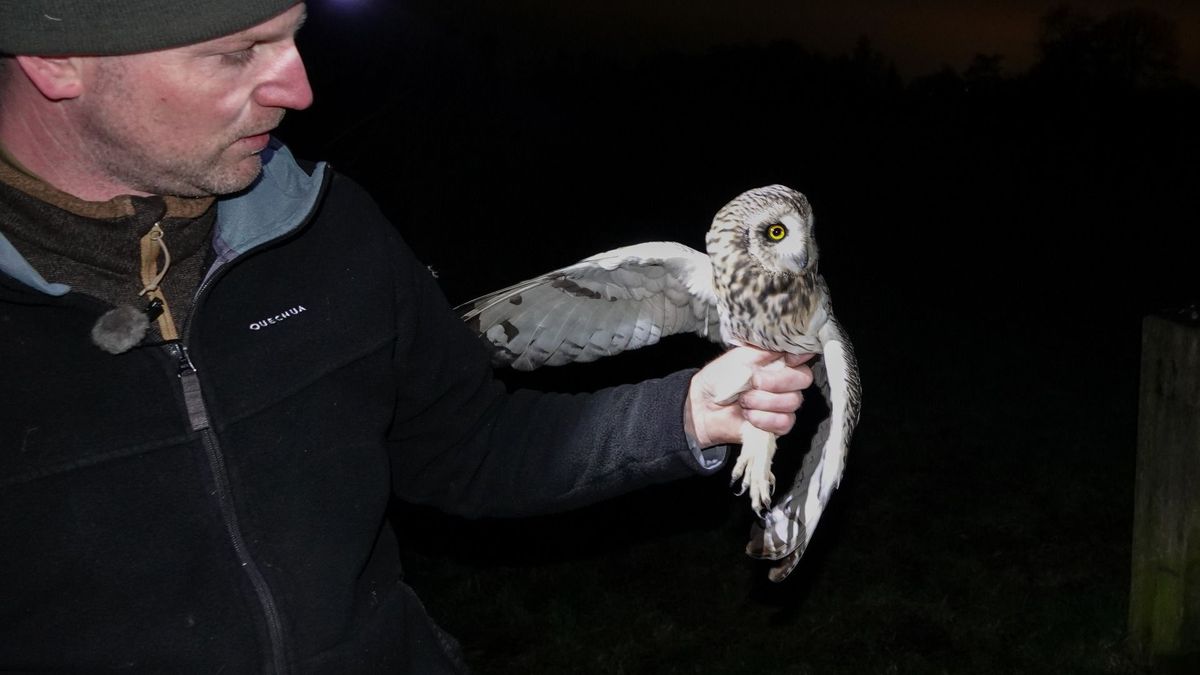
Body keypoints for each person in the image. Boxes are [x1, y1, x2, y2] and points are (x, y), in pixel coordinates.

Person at [0, 2, 812, 672]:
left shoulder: (324, 229)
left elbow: (469, 443)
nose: (299, 89)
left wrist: (687, 412)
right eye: (237, 53)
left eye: (292, 36)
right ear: (59, 59)